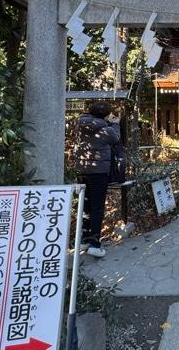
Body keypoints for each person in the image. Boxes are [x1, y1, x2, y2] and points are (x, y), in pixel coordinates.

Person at [75, 101, 120, 257]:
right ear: (106, 115)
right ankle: (94, 243)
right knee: (97, 207)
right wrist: (115, 125)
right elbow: (116, 139)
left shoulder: (80, 124)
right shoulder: (107, 129)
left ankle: (83, 240)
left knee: (85, 204)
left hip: (81, 169)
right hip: (99, 172)